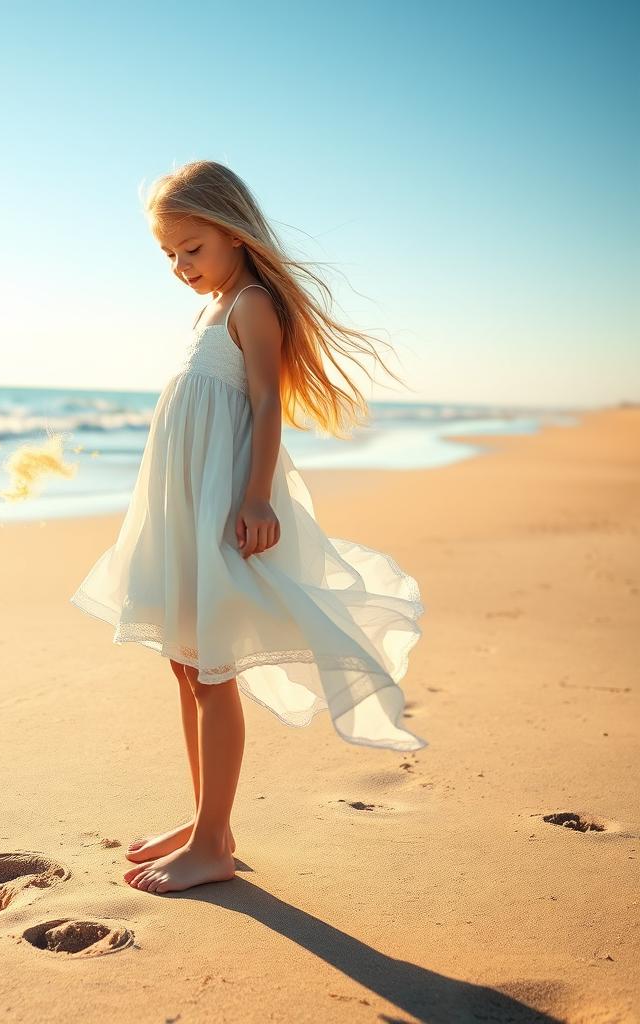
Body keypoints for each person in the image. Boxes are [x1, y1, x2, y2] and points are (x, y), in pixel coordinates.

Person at [69, 160, 427, 894]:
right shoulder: (211, 306)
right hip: (181, 503)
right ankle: (211, 822)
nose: (178, 266)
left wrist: (256, 497)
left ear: (232, 233)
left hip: (222, 504)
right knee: (182, 657)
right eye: (168, 254)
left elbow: (267, 404)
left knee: (211, 668)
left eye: (191, 248)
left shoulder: (252, 305)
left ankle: (211, 845)